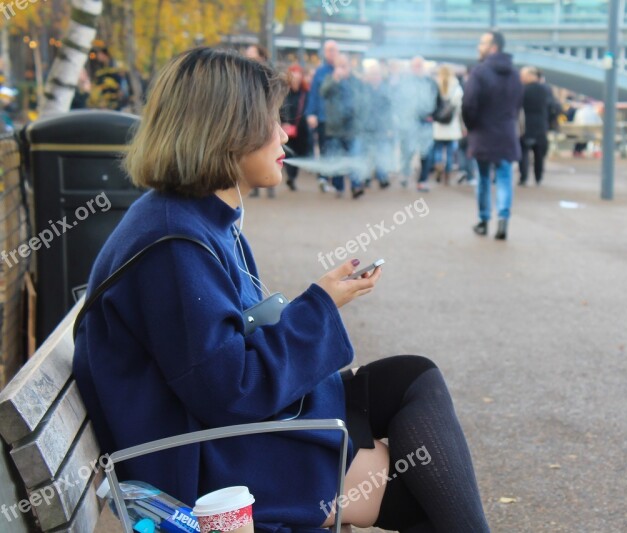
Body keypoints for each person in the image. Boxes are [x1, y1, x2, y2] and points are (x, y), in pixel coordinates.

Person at [72, 47, 490, 533]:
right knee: (426, 493)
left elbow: (227, 350)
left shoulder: (189, 220)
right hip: (213, 466)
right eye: (270, 122)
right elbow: (232, 389)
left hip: (228, 433)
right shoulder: (174, 245)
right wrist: (319, 306)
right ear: (227, 131)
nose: (283, 134)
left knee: (413, 380)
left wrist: (322, 299)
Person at [463, 31, 523, 240]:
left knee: (483, 179)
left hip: (483, 133)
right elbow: (516, 104)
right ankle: (503, 220)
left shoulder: (479, 72)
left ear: (493, 47)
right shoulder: (514, 73)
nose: (479, 47)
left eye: (482, 43)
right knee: (505, 177)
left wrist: (471, 126)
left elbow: (469, 104)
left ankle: (483, 220)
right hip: (506, 132)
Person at [320, 53, 366, 199]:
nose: (341, 69)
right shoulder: (330, 79)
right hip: (335, 128)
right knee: (338, 158)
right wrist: (335, 80)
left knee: (355, 156)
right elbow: (323, 92)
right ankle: (339, 187)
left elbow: (361, 100)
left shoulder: (356, 81)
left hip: (353, 128)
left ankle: (356, 186)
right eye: (339, 66)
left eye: (344, 66)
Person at [395, 57, 439, 192]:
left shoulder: (430, 82)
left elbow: (438, 101)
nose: (417, 68)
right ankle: (405, 174)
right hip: (408, 123)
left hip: (425, 123)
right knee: (407, 151)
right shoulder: (404, 83)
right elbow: (397, 101)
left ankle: (422, 180)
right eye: (415, 66)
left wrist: (433, 115)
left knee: (426, 154)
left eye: (419, 66)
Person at [306, 40, 339, 193]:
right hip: (323, 117)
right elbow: (313, 94)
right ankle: (323, 178)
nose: (330, 53)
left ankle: (335, 181)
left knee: (336, 149)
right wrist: (311, 113)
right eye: (328, 50)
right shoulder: (320, 72)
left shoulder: (343, 70)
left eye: (333, 50)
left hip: (339, 120)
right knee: (324, 148)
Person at [245, 45, 275, 198]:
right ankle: (254, 185)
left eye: (252, 55)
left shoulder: (268, 75)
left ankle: (271, 185)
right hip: (251, 121)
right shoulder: (244, 74)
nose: (248, 57)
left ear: (262, 57)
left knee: (269, 151)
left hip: (267, 119)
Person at [361, 63, 393, 189]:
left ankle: (382, 177)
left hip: (381, 127)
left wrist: (390, 127)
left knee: (381, 153)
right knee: (367, 154)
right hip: (366, 127)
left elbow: (390, 110)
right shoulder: (364, 89)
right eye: (372, 74)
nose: (374, 77)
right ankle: (367, 177)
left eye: (376, 74)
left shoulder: (385, 90)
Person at [519, 67, 552, 187]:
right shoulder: (546, 89)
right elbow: (552, 106)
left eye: (523, 75)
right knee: (539, 155)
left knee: (523, 153)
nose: (521, 77)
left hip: (526, 125)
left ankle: (524, 177)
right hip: (541, 125)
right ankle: (538, 177)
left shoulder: (522, 90)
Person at [281, 64, 311, 191]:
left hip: (301, 129)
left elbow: (307, 108)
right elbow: (279, 108)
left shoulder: (306, 92)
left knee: (298, 153)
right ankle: (291, 177)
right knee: (288, 153)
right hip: (287, 127)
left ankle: (293, 177)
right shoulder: (283, 92)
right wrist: (283, 122)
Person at [432, 65, 463, 186]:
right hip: (452, 125)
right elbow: (459, 106)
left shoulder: (435, 86)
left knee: (438, 150)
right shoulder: (456, 87)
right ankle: (447, 175)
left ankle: (438, 164)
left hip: (438, 124)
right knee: (450, 152)